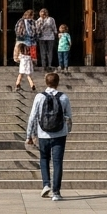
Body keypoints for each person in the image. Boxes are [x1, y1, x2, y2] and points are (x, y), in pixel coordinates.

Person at [27, 71, 73, 202]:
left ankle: (46, 184)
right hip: (59, 134)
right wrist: (68, 130)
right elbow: (69, 117)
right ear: (58, 83)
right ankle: (56, 192)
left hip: (43, 133)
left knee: (44, 159)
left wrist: (29, 135)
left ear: (46, 83)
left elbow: (32, 117)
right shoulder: (64, 97)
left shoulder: (39, 97)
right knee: (57, 162)